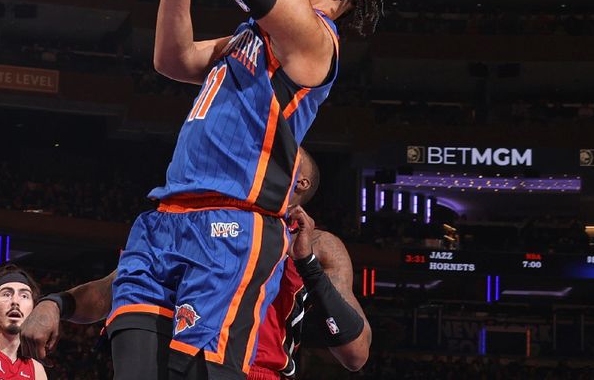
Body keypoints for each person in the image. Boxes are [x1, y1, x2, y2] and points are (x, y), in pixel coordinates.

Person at [105, 0, 384, 377]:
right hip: (164, 219)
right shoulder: (249, 39)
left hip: (231, 225)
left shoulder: (313, 38)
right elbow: (173, 61)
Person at [21, 150, 372, 379]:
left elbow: (355, 354)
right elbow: (122, 284)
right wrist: (56, 303)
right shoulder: (205, 219)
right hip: (181, 366)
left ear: (300, 182)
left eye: (275, 156)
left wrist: (306, 264)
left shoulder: (319, 245)